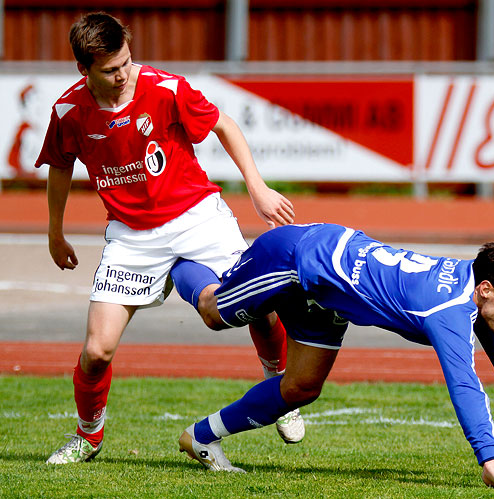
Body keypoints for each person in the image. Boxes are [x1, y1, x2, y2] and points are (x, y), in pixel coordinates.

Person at [35, 11, 304, 465]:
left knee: (259, 305)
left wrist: (256, 188)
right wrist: (55, 232)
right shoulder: (67, 110)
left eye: (125, 62)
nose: (122, 75)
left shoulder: (165, 88)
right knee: (97, 351)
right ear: (84, 70)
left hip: (199, 219)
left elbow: (224, 125)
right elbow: (61, 167)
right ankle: (88, 437)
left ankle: (280, 384)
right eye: (109, 69)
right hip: (132, 238)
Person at [171, 223, 494, 489]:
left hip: (326, 294)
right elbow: (465, 384)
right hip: (296, 260)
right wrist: (487, 458)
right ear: (487, 289)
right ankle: (171, 255)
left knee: (301, 386)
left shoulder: (473, 290)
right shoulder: (449, 312)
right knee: (213, 313)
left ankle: (201, 437)